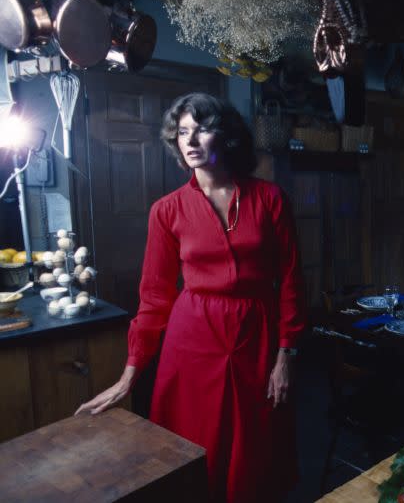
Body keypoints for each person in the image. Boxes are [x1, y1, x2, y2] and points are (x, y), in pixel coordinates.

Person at [76, 93, 305, 503]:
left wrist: (285, 354)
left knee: (256, 444)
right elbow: (154, 298)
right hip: (192, 339)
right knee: (192, 443)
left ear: (228, 137)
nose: (192, 140)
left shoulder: (269, 199)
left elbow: (290, 281)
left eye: (203, 129)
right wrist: (129, 374)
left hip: (256, 334)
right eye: (183, 132)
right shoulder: (167, 210)